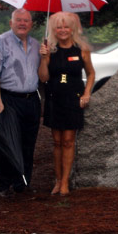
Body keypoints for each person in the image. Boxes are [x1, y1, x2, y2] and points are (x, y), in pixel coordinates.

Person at [38, 12, 95, 196]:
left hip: (73, 99)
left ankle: (65, 182)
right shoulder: (49, 49)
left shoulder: (82, 49)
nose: (62, 30)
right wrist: (43, 58)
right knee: (56, 141)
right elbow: (43, 78)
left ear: (72, 29)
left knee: (68, 141)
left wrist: (86, 93)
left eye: (66, 26)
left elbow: (91, 73)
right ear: (54, 30)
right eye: (59, 27)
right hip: (54, 99)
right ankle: (57, 179)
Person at [0, 8, 41, 197]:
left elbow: (42, 74)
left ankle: (22, 181)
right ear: (11, 23)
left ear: (31, 24)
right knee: (7, 143)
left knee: (28, 143)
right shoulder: (0, 43)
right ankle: (2, 184)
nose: (22, 23)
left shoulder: (36, 45)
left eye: (26, 20)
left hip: (31, 100)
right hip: (8, 99)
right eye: (18, 20)